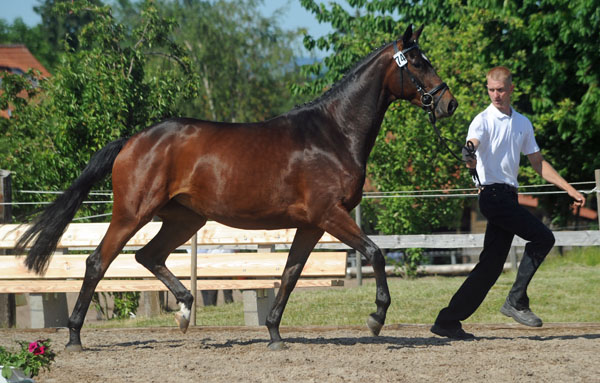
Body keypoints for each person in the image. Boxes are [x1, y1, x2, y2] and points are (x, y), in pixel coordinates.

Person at [430, 66, 586, 339]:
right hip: (492, 196)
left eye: (500, 90)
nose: (495, 95)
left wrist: (569, 189)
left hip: (508, 196)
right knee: (543, 237)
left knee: (489, 267)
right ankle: (516, 300)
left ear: (511, 89)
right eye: (491, 90)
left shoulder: (522, 124)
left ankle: (447, 320)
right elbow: (472, 144)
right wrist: (469, 153)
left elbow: (539, 164)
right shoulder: (483, 120)